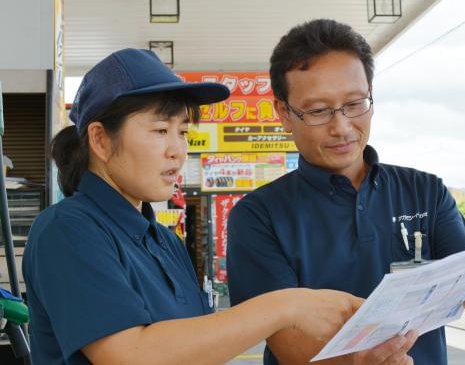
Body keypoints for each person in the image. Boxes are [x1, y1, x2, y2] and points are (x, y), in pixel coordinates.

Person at [22, 49, 364, 365]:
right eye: (160, 130)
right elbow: (130, 355)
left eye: (183, 132)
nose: (177, 150)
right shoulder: (67, 229)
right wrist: (285, 306)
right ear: (100, 139)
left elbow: (195, 348)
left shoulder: (164, 241)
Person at [227, 19, 465, 364]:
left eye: (354, 104)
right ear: (284, 114)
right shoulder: (258, 216)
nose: (342, 127)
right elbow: (289, 346)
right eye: (319, 111)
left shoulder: (426, 192)